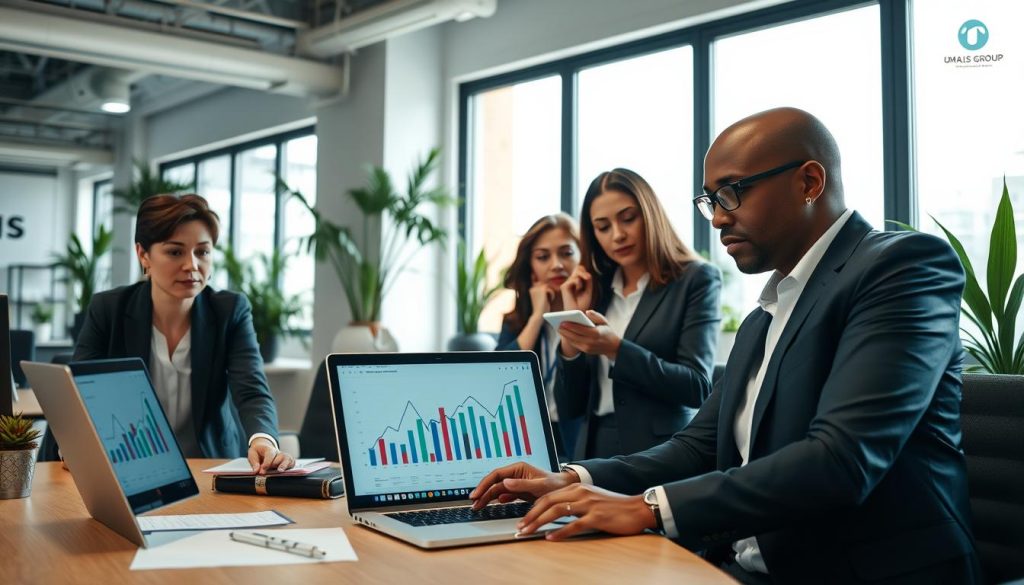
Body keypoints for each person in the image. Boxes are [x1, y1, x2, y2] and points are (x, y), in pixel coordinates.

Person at [470, 108, 980, 584]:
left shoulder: (903, 266)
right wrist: (572, 477)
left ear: (809, 182)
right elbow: (699, 444)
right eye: (710, 200)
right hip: (740, 564)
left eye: (732, 193)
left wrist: (647, 507)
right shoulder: (769, 309)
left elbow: (841, 459)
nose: (716, 218)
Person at [72, 194, 294, 473]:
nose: (191, 265)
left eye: (202, 252)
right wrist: (75, 445)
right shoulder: (109, 309)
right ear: (143, 255)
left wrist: (263, 439)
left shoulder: (230, 311)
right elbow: (77, 392)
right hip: (129, 466)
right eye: (175, 252)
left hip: (211, 468)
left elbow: (252, 392)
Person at [555, 168, 721, 458]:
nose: (618, 235)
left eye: (628, 218)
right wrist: (572, 329)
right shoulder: (596, 288)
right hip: (593, 451)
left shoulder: (696, 279)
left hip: (662, 454)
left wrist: (616, 349)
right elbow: (569, 406)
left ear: (649, 215)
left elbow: (697, 387)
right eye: (603, 227)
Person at [496, 213, 584, 458]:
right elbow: (498, 376)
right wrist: (537, 317)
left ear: (582, 257)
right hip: (528, 439)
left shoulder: (595, 313)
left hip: (577, 438)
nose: (556, 264)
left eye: (566, 253)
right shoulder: (516, 321)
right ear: (530, 267)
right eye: (543, 257)